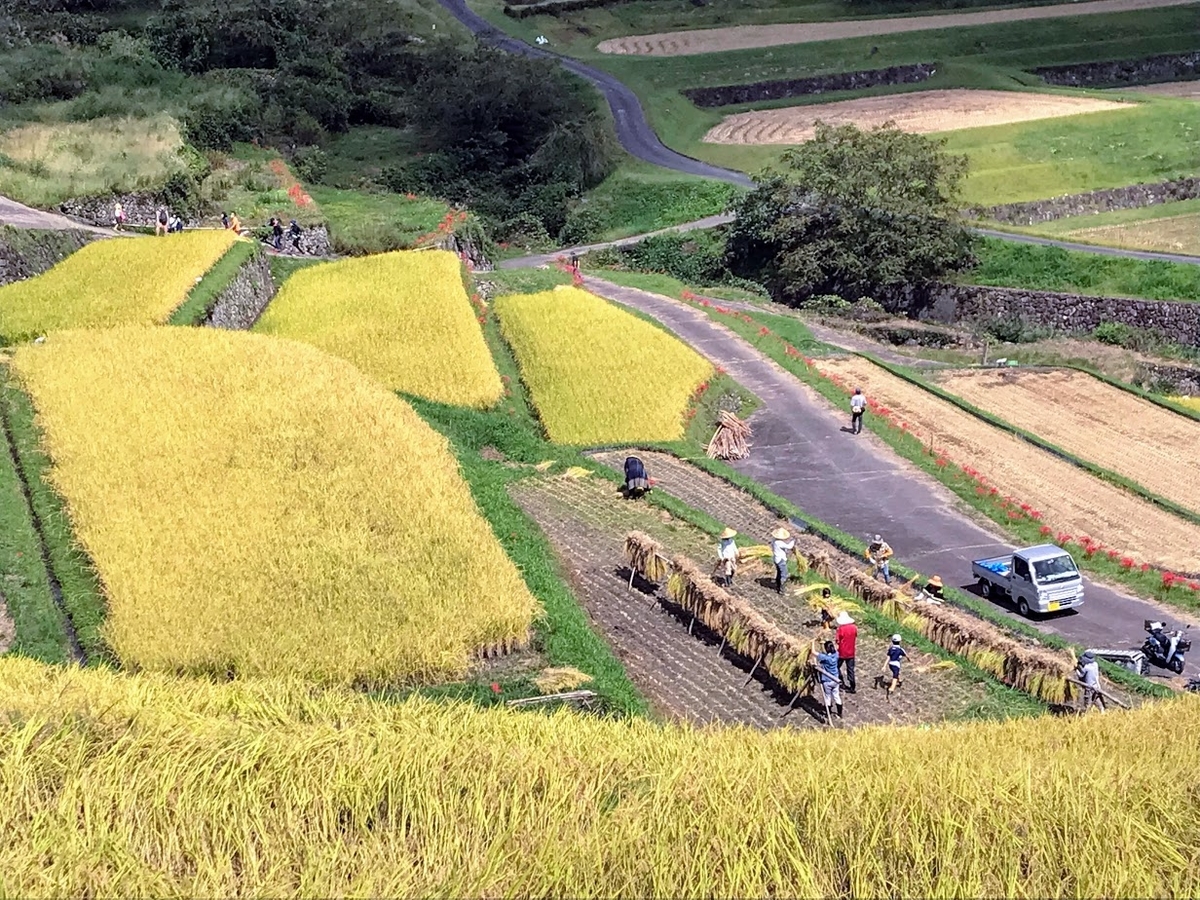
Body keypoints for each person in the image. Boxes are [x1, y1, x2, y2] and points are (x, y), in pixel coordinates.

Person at [813, 638, 843, 720]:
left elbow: (813, 652)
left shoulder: (825, 658)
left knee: (828, 697)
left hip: (827, 681)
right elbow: (835, 647)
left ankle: (828, 714)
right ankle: (839, 714)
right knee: (837, 696)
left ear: (827, 649)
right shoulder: (836, 654)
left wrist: (812, 643)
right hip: (836, 680)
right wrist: (824, 643)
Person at [835, 611, 857, 693]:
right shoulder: (854, 628)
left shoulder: (841, 629)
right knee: (850, 670)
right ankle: (852, 687)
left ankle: (841, 682)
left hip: (842, 652)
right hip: (851, 652)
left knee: (836, 666)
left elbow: (837, 640)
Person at [770, 527, 795, 594]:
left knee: (779, 573)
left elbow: (784, 547)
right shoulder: (779, 542)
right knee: (784, 575)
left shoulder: (774, 540)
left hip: (776, 559)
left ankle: (778, 586)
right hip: (780, 560)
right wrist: (793, 541)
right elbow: (789, 546)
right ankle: (782, 590)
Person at [885, 634, 907, 699]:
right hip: (896, 664)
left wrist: (884, 666)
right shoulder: (900, 649)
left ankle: (899, 680)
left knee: (896, 673)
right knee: (895, 676)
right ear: (900, 641)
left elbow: (888, 658)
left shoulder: (891, 649)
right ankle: (891, 688)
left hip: (890, 664)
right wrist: (909, 659)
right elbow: (906, 655)